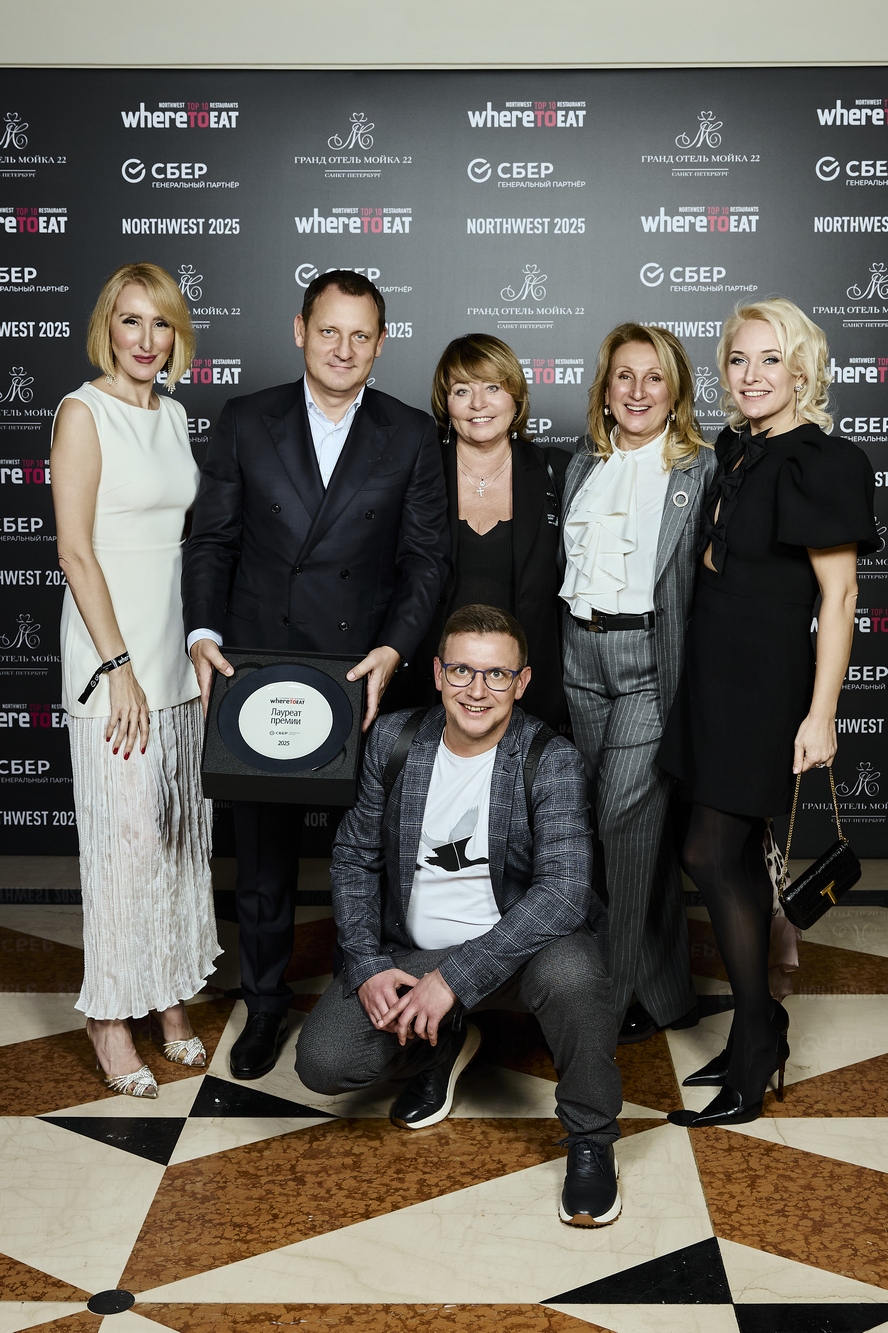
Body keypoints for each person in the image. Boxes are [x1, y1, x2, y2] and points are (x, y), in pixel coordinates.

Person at [182, 270, 449, 1081]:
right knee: (262, 857)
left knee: (366, 853)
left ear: (381, 343)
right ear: (300, 329)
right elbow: (212, 540)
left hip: (360, 674)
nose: (343, 348)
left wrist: (394, 650)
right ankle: (263, 1003)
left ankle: (360, 999)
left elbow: (425, 561)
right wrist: (203, 633)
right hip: (261, 669)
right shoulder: (245, 419)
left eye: (360, 335)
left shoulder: (410, 434)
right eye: (329, 330)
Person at [296, 603, 622, 1227]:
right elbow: (355, 856)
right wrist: (366, 964)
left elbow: (562, 893)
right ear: (438, 674)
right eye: (462, 671)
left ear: (522, 683)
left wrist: (454, 979)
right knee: (325, 1062)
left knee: (575, 974)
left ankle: (591, 1138)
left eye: (497, 674)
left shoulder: (550, 759)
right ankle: (443, 1043)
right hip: (411, 955)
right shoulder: (393, 740)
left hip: (521, 955)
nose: (477, 690)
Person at [658, 297, 877, 1127]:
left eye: (770, 359)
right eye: (738, 359)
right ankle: (763, 1026)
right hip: (709, 678)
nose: (751, 375)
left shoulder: (823, 461)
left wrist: (822, 714)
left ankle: (756, 1041)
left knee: (708, 851)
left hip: (765, 685)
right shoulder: (733, 450)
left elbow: (840, 596)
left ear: (803, 369)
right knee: (737, 856)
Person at [51, 262, 220, 1098]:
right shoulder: (82, 413)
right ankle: (110, 1015)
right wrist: (118, 667)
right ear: (107, 329)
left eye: (161, 323)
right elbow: (75, 551)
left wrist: (190, 645)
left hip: (170, 660)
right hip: (112, 663)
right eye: (131, 321)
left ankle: (167, 990)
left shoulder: (174, 414)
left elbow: (175, 545)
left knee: (177, 837)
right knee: (127, 846)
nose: (146, 339)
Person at [560, 324, 717, 1042]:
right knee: (622, 830)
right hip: (580, 656)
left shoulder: (700, 470)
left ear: (676, 390)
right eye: (624, 376)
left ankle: (615, 989)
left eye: (655, 377)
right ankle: (668, 990)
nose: (638, 391)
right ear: (605, 388)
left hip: (651, 660)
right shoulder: (582, 464)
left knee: (623, 818)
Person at [410, 334, 569, 728]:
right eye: (462, 390)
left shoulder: (558, 471)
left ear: (516, 397)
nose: (478, 404)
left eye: (493, 388)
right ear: (446, 403)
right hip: (427, 686)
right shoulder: (416, 470)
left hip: (529, 689)